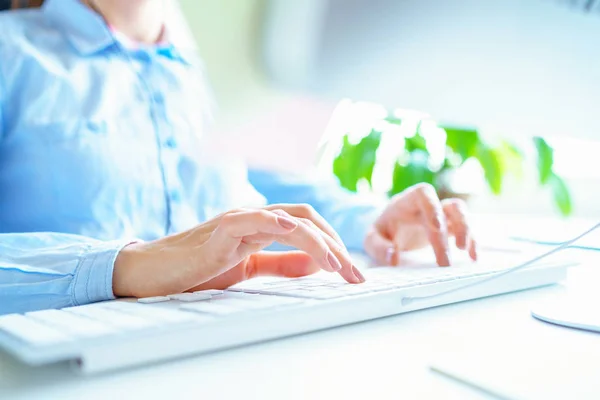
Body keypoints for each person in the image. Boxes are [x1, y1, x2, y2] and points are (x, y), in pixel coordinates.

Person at [0, 0, 477, 315]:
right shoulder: (10, 51)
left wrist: (372, 220)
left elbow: (273, 189)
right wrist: (124, 267)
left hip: (222, 338)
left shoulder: (214, 68)